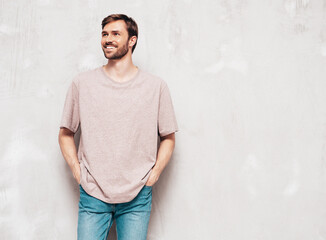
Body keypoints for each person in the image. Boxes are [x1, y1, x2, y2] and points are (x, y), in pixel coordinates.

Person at [58, 13, 179, 240]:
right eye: (104, 34)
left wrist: (153, 175)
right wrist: (78, 171)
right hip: (93, 192)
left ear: (132, 40)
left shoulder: (156, 87)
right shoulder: (82, 84)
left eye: (115, 34)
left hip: (137, 195)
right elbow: (65, 133)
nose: (108, 39)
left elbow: (169, 137)